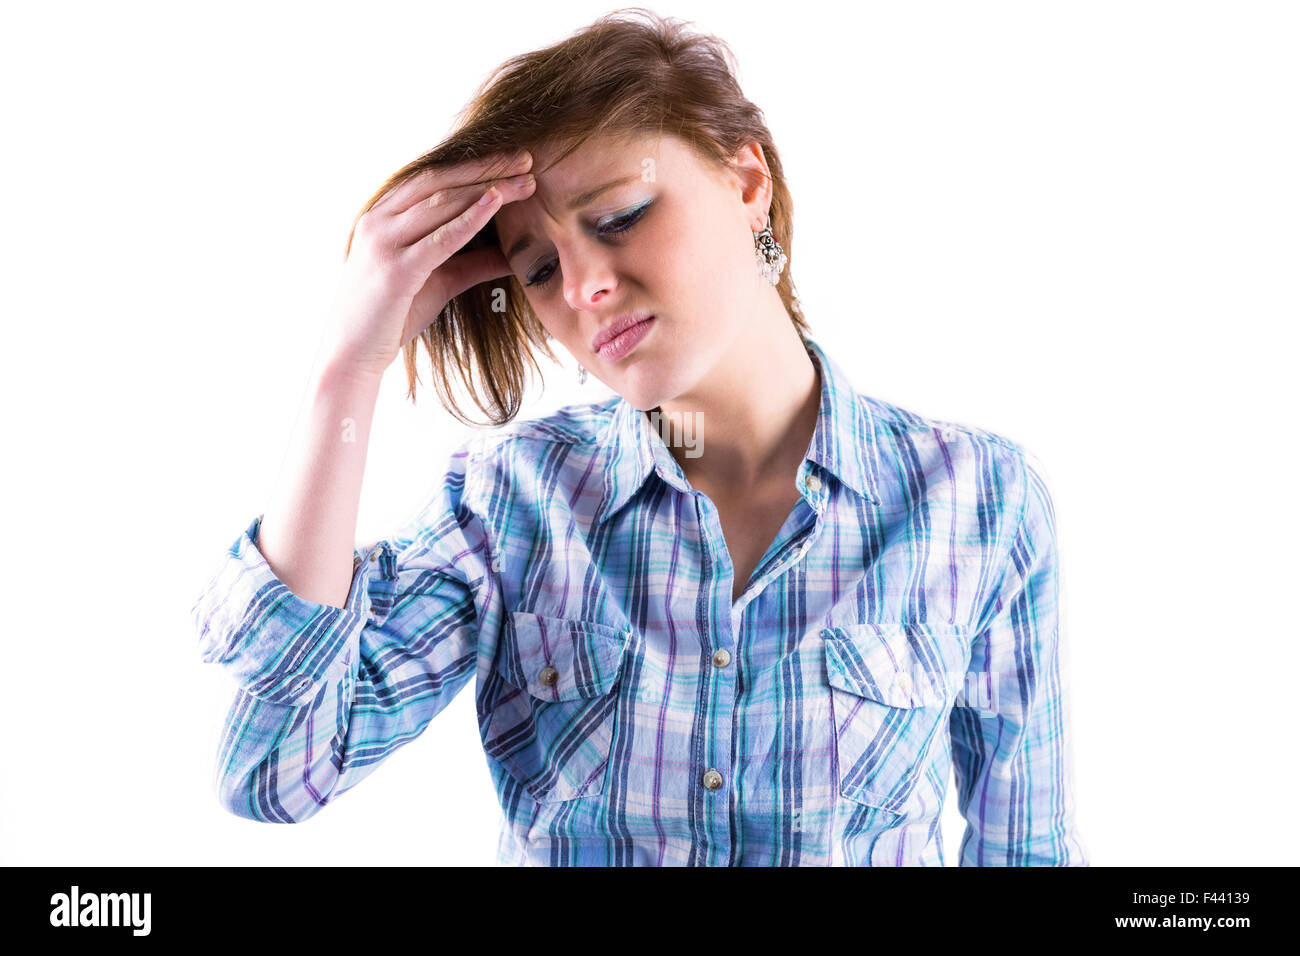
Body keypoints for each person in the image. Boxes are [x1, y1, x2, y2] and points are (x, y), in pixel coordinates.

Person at [191, 7, 1088, 866]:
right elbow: (276, 773)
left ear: (746, 184)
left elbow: (1028, 852)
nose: (582, 287)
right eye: (538, 269)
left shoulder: (979, 499)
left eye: (619, 217)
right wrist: (346, 372)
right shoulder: (514, 502)